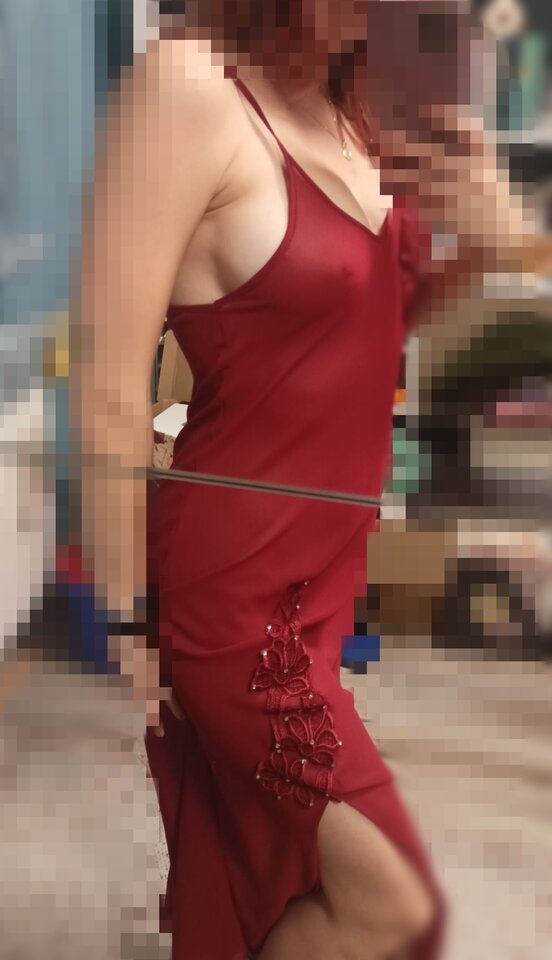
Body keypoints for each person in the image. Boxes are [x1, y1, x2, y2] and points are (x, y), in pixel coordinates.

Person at [73, 2, 543, 958]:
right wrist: (123, 613)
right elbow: (109, 380)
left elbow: (368, 321)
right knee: (392, 909)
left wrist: (503, 244)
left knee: (264, 865)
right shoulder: (188, 88)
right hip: (235, 596)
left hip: (324, 576)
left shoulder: (355, 100)